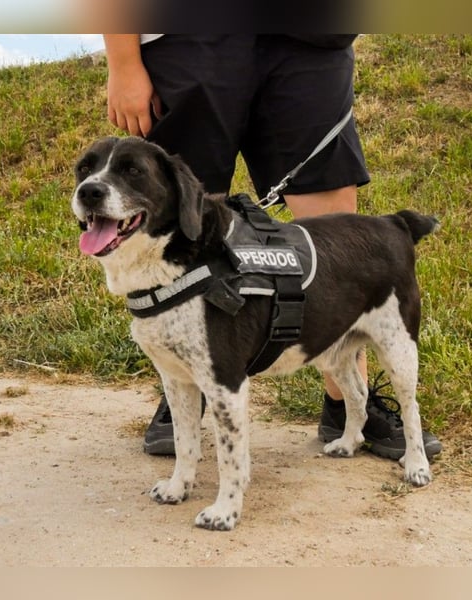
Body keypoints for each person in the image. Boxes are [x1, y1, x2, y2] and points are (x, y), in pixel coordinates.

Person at [102, 34, 442, 461]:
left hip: (304, 34)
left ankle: (348, 404)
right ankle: (188, 388)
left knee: (335, 230)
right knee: (183, 216)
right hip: (188, 31)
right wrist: (123, 60)